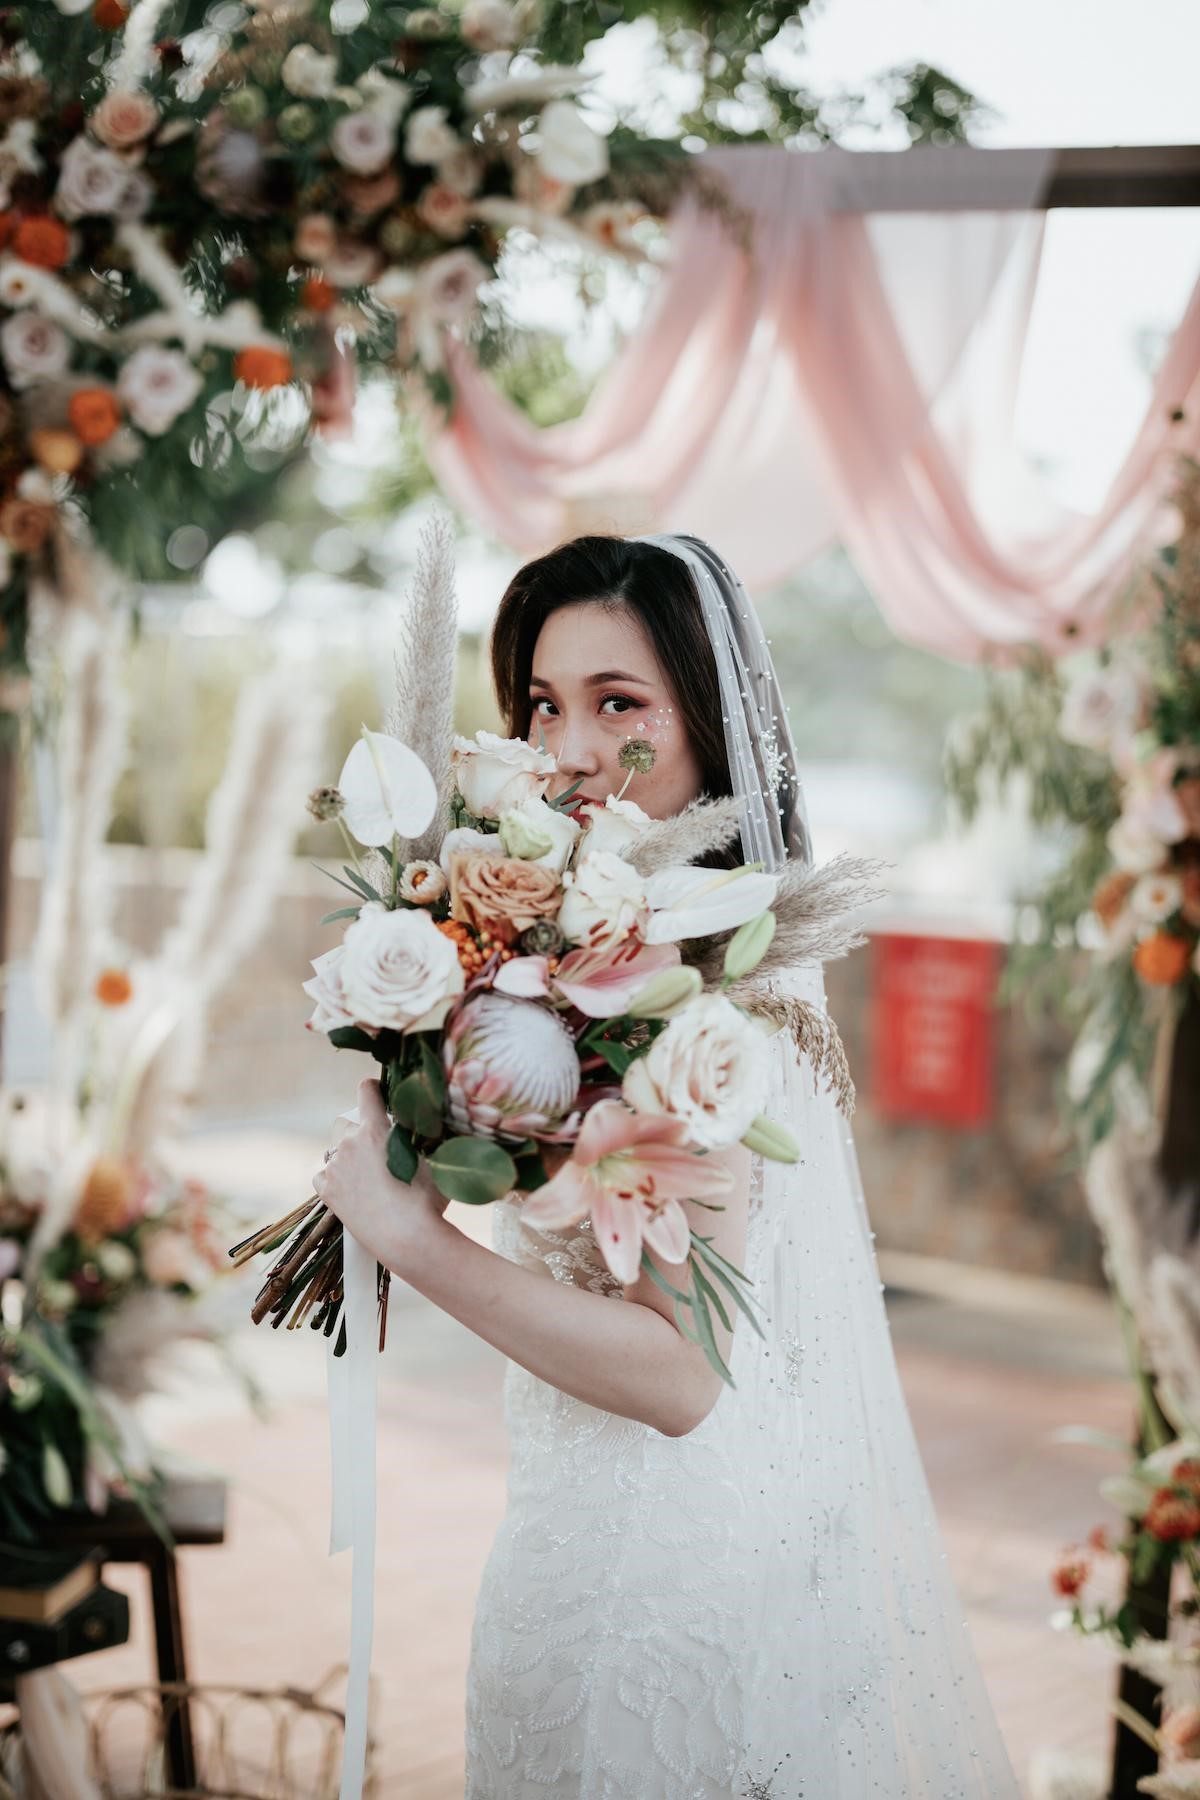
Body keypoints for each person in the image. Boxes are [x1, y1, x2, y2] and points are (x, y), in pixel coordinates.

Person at [315, 534, 1021, 1799]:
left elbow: (683, 1373)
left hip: (660, 1593)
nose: (571, 747)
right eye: (543, 701)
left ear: (707, 725)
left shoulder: (703, 1002)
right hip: (590, 1540)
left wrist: (416, 1240)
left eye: (620, 704)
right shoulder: (604, 959)